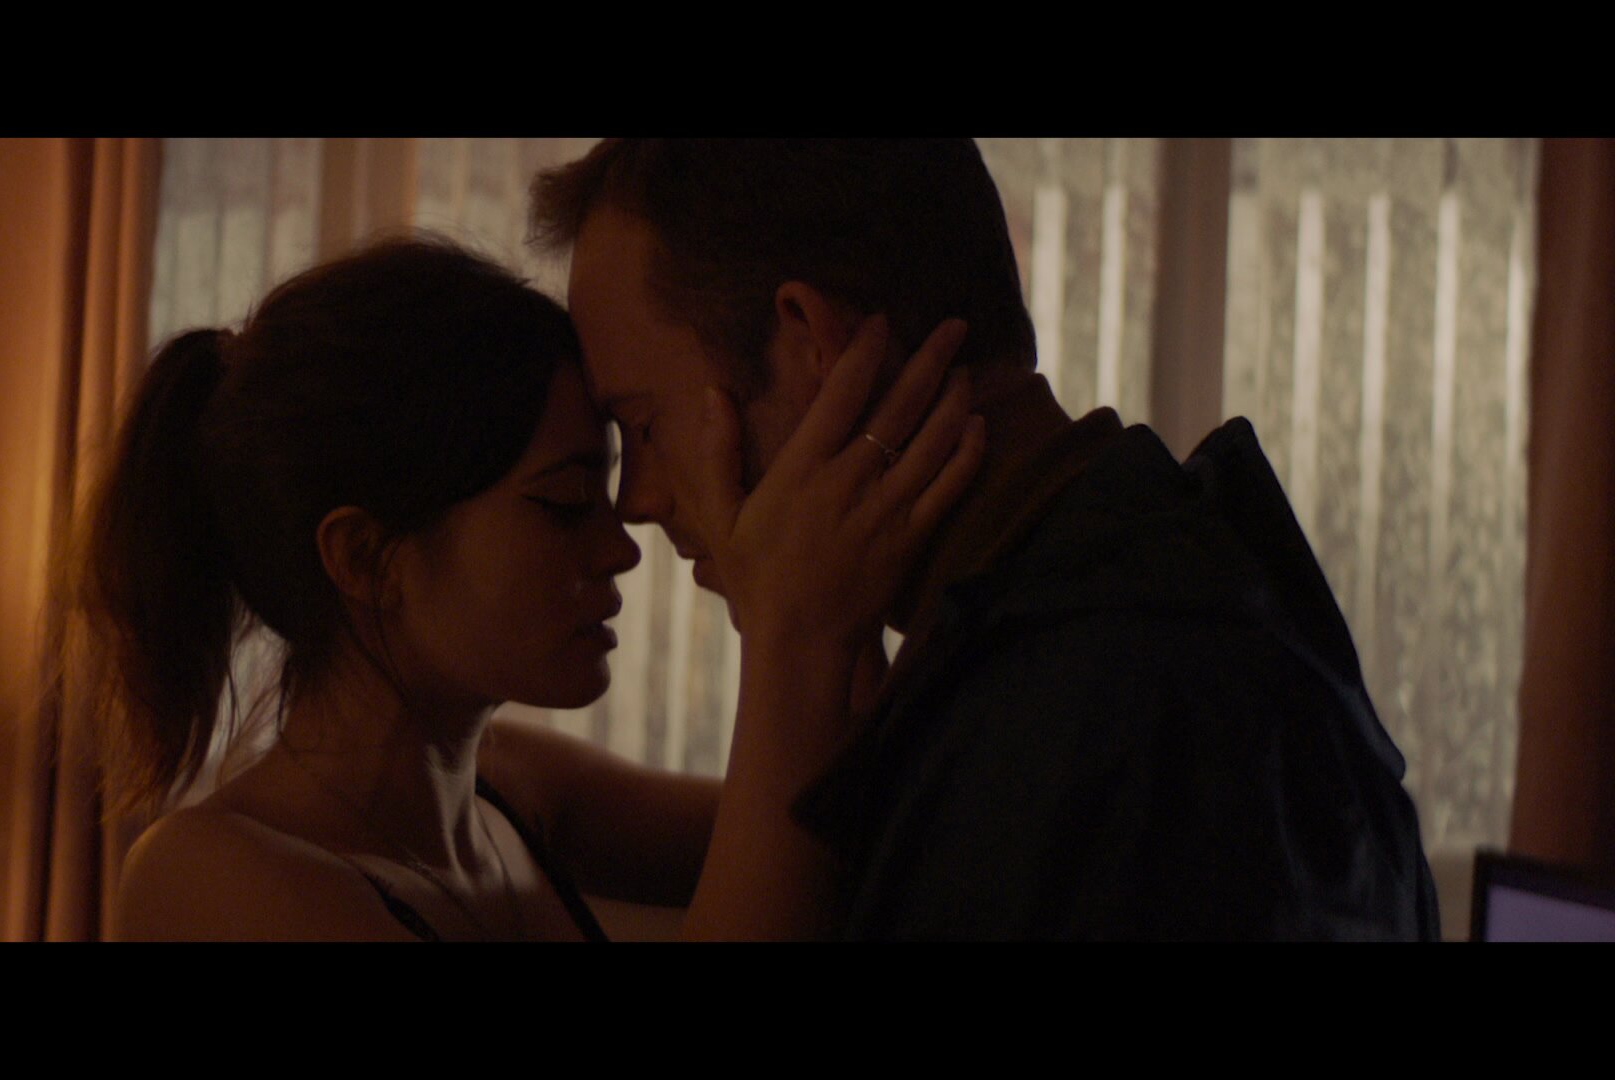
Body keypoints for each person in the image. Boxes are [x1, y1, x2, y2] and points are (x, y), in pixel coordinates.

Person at [531, 138, 1441, 940]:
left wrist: (791, 647)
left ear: (810, 343)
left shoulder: (1091, 713)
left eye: (642, 427)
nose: (637, 500)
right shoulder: (1160, 582)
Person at [89, 236, 982, 940]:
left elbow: (848, 836)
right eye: (562, 504)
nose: (620, 549)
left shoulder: (513, 785)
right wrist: (789, 630)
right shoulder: (209, 879)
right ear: (364, 557)